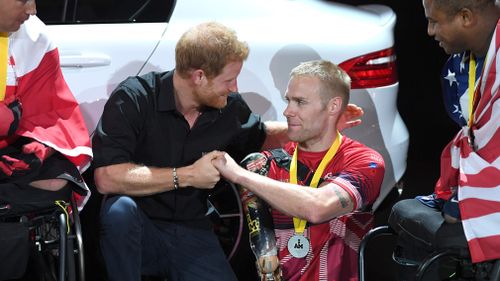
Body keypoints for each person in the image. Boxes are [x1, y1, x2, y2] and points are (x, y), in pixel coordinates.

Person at [92, 21, 364, 281]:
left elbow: (261, 135)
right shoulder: (135, 98)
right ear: (199, 76)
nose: (234, 87)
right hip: (139, 228)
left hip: (191, 228)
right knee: (120, 211)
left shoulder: (228, 107)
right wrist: (186, 175)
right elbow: (107, 178)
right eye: (229, 80)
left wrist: (318, 122)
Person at [212, 60, 385, 281]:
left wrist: (239, 175)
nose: (287, 111)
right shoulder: (261, 165)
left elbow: (318, 207)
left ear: (333, 106)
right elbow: (264, 253)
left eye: (300, 102)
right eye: (288, 101)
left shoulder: (365, 162)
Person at [389, 0, 500, 278]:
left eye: (434, 21)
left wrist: (466, 202)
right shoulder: (485, 54)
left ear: (465, 17)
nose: (429, 31)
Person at [0, 0, 93, 279]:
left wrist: (40, 149)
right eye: (23, 0)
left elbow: (52, 112)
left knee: (57, 182)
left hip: (12, 150)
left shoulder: (33, 35)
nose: (32, 9)